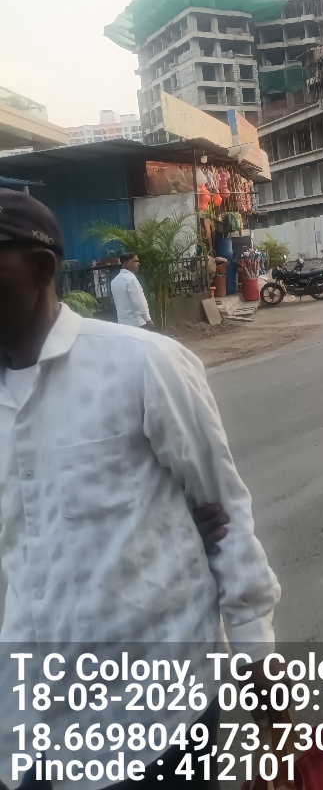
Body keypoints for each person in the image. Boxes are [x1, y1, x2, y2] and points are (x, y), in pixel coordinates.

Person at [0, 189, 280, 786]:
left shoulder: (143, 364)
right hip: (29, 729)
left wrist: (265, 695)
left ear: (42, 269)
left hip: (153, 721)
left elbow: (225, 515)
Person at [110, 251, 153, 328]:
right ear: (126, 263)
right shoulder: (131, 279)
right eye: (135, 261)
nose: (138, 264)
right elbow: (138, 301)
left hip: (123, 323)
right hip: (137, 323)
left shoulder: (114, 281)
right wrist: (147, 319)